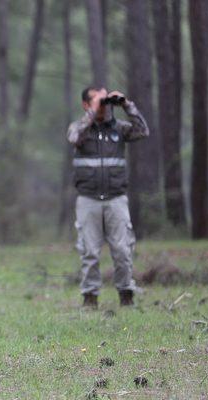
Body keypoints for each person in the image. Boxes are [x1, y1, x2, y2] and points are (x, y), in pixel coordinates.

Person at [67, 86, 149, 308]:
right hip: (88, 199)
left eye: (105, 101)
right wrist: (92, 113)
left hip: (116, 198)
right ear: (86, 104)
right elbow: (74, 138)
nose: (104, 105)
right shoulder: (80, 128)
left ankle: (126, 295)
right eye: (97, 101)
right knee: (89, 251)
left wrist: (126, 105)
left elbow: (142, 131)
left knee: (122, 250)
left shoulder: (119, 128)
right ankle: (90, 298)